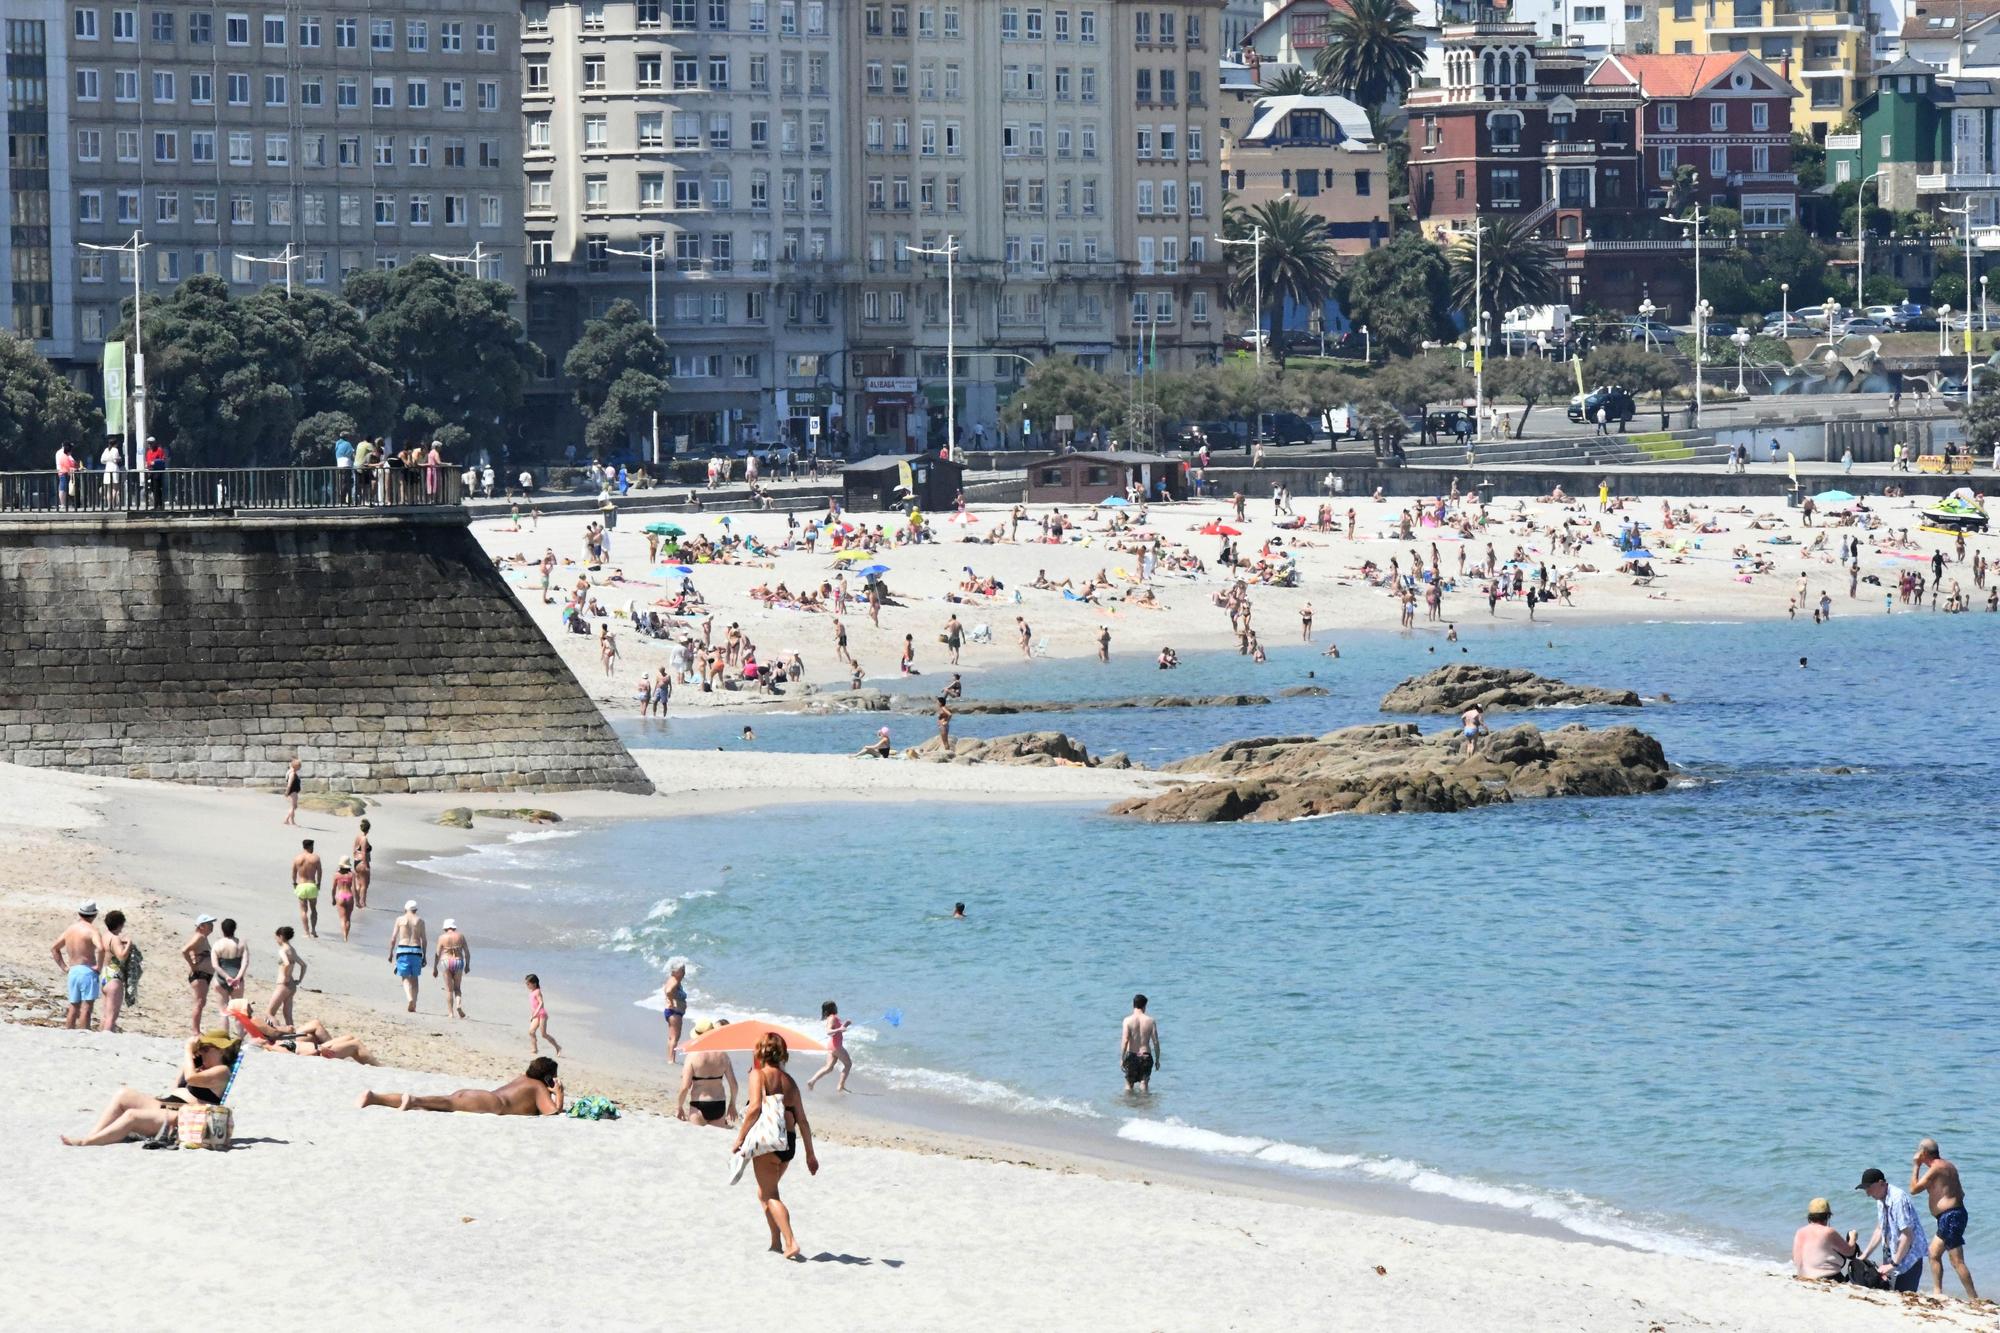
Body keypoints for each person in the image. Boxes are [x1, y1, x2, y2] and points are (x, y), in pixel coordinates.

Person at [60, 1032, 242, 1146]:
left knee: (132, 1115)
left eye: (206, 1049)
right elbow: (178, 1085)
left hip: (183, 1116)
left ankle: (88, 1142)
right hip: (168, 1104)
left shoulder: (222, 1071)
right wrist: (193, 1059)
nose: (201, 1052)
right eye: (200, 1049)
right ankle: (94, 1134)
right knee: (123, 1094)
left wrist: (188, 1051)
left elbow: (191, 1078)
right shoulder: (200, 1067)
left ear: (221, 1051)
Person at [728, 1032, 819, 1260]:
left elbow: (755, 1108)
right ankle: (776, 1241)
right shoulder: (790, 1082)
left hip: (768, 1142)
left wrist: (740, 1138)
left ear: (761, 1052)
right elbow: (803, 1121)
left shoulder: (758, 1075)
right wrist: (810, 1154)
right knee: (764, 1192)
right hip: (788, 1145)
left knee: (770, 1194)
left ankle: (790, 1241)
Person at [358, 1057, 565, 1115]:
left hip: (478, 1095)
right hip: (490, 1102)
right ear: (547, 1077)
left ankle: (375, 1098)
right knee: (438, 1103)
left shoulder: (523, 1078)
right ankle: (412, 1100)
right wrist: (559, 1093)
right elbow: (552, 1112)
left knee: (440, 1103)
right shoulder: (538, 1087)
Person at [1910, 1138, 1978, 1299]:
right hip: (1951, 1216)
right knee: (1933, 1253)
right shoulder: (1948, 1166)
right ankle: (1938, 1293)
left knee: (1957, 1261)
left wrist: (1916, 1166)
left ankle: (1974, 1298)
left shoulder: (1936, 1168)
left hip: (1951, 1217)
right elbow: (1961, 1193)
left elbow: (1913, 1189)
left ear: (1923, 1153)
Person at [1858, 1165, 1929, 1293]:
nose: (1868, 1193)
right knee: (1890, 1293)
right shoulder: (1880, 1199)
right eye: (1865, 1189)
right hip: (1893, 1253)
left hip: (1909, 1257)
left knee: (1904, 1296)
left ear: (1881, 1183)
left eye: (1869, 1188)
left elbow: (1907, 1235)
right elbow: (1880, 1229)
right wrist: (1864, 1255)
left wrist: (1893, 1264)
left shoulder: (1898, 1199)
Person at [51, 901, 103, 1029]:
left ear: (80, 913)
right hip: (87, 970)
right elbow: (101, 948)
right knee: (87, 1006)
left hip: (73, 970)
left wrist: (64, 967)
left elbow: (54, 948)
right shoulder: (92, 930)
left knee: (73, 1006)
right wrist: (99, 967)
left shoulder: (70, 929)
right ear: (94, 915)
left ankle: (69, 1031)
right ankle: (84, 1032)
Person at [678, 1019, 739, 1126]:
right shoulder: (723, 1056)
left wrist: (679, 1107)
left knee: (696, 1139)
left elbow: (684, 1087)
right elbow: (734, 1085)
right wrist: (732, 1105)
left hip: (699, 1104)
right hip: (719, 1104)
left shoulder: (692, 1056)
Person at [1793, 1197, 1860, 1281]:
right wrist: (1853, 1237)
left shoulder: (1800, 1232)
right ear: (1828, 1216)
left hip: (1803, 1277)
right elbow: (1850, 1252)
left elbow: (1796, 1259)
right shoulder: (1828, 1232)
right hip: (1826, 1277)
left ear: (1809, 1216)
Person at [97, 910, 133, 1034]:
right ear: (120, 924)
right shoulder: (115, 938)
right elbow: (122, 956)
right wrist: (129, 944)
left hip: (104, 974)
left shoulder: (105, 936)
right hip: (114, 977)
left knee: (105, 1014)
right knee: (112, 1016)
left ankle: (100, 1035)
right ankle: (107, 1039)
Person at [210, 919, 248, 1035]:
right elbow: (245, 963)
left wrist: (226, 977)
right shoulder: (241, 944)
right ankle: (240, 1038)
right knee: (238, 1012)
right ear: (234, 929)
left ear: (222, 929)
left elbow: (215, 965)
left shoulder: (217, 944)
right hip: (237, 979)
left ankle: (224, 1037)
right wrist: (238, 977)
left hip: (221, 980)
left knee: (223, 1011)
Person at [806, 1001, 853, 1093]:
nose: (837, 1008)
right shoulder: (832, 1018)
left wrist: (845, 1024)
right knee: (848, 1064)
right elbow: (828, 1031)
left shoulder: (832, 1018)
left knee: (829, 1067)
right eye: (835, 1006)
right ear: (832, 1008)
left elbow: (838, 1031)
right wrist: (840, 1028)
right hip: (836, 1046)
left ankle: (812, 1081)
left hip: (832, 1045)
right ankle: (840, 1086)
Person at [389, 900, 427, 1012]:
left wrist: (391, 952)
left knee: (405, 977)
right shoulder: (420, 921)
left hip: (403, 949)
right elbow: (424, 940)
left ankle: (409, 998)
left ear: (405, 909)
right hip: (416, 950)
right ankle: (414, 1002)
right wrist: (424, 955)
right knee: (415, 979)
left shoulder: (400, 919)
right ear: (416, 910)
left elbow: (393, 938)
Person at [183, 914, 217, 1034]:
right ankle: (195, 1030)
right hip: (200, 974)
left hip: (204, 974)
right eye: (209, 924)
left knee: (201, 1002)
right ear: (201, 926)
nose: (212, 926)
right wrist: (193, 966)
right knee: (199, 1002)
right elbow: (184, 950)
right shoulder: (200, 937)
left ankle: (196, 1029)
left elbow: (192, 951)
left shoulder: (202, 937)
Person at [1121, 994, 1161, 1093]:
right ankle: (1145, 1105)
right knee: (1144, 1083)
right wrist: (1157, 1060)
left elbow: (1125, 1040)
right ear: (1144, 1006)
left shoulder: (1127, 1020)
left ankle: (1127, 1105)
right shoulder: (1151, 1021)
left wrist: (1122, 1058)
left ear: (1133, 1005)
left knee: (1129, 1084)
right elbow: (1155, 1042)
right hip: (1146, 1056)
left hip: (1132, 1056)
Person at [268, 926, 305, 1027]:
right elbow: (303, 965)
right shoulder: (292, 950)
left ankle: (272, 1035)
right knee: (288, 1015)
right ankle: (292, 1039)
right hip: (292, 985)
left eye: (276, 938)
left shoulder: (282, 950)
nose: (276, 940)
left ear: (280, 936)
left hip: (283, 985)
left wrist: (285, 976)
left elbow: (287, 963)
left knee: (270, 1013)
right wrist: (299, 980)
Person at [436, 919, 471, 1019]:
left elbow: (437, 954)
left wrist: (435, 967)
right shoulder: (461, 936)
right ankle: (458, 1005)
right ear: (454, 927)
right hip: (458, 961)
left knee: (449, 990)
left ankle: (451, 1013)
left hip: (446, 961)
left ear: (445, 928)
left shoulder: (442, 937)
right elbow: (467, 953)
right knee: (457, 988)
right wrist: (467, 965)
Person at [291, 837, 322, 939]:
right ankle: (313, 930)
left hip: (301, 885)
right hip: (311, 885)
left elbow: (294, 872)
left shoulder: (297, 858)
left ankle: (306, 932)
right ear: (310, 846)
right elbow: (319, 872)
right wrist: (319, 883)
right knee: (313, 909)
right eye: (313, 846)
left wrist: (294, 883)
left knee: (303, 910)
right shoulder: (315, 858)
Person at [526, 973, 562, 1054]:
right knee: (531, 1032)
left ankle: (558, 1047)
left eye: (528, 983)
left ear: (534, 984)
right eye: (526, 983)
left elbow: (541, 1003)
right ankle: (534, 1049)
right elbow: (533, 1005)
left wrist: (536, 1013)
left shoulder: (537, 991)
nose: (527, 985)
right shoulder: (531, 992)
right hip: (535, 1015)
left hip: (542, 1015)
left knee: (543, 1034)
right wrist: (533, 1014)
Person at [663, 961, 688, 1062]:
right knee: (675, 1037)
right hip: (675, 1012)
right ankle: (671, 1060)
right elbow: (669, 991)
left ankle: (670, 1058)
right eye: (682, 970)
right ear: (676, 972)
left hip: (671, 1011)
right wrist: (673, 1003)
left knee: (671, 1037)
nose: (684, 972)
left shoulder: (671, 979)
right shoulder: (675, 981)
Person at [351, 818, 373, 911]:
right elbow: (363, 852)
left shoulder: (358, 837)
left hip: (356, 861)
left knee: (359, 883)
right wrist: (366, 865)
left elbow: (354, 850)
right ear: (368, 829)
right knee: (365, 884)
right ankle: (362, 902)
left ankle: (357, 901)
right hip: (362, 862)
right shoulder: (364, 839)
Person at [332, 860, 358, 940]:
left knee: (342, 918)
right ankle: (346, 935)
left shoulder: (337, 875)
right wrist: (357, 899)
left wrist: (333, 898)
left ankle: (344, 936)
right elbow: (354, 888)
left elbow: (333, 888)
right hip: (349, 895)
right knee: (348, 918)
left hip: (340, 895)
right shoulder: (352, 874)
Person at [282, 756, 301, 825]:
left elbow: (292, 764)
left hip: (293, 791)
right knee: (293, 806)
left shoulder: (291, 771)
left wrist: (294, 760)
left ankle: (287, 820)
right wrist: (287, 792)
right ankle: (290, 821)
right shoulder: (292, 773)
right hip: (293, 791)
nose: (300, 768)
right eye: (299, 766)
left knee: (294, 806)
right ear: (296, 766)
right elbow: (289, 784)